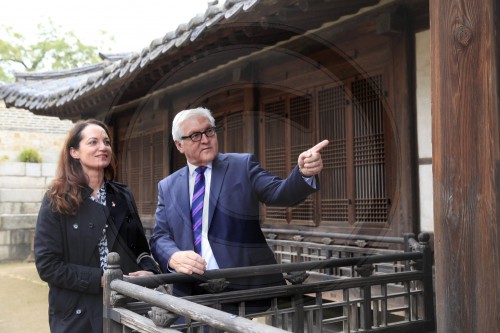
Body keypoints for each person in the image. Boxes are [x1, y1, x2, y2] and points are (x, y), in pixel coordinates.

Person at [149, 107, 328, 312]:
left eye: (209, 131)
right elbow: (160, 236)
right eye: (195, 135)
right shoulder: (168, 186)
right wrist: (173, 257)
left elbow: (280, 193)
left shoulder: (241, 166)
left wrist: (303, 173)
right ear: (179, 145)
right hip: (192, 293)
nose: (206, 139)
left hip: (244, 290)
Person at [34, 119, 160, 333]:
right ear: (74, 152)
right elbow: (48, 265)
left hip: (125, 305)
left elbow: (140, 248)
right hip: (76, 310)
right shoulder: (57, 198)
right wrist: (101, 279)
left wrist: (149, 271)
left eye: (107, 142)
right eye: (93, 142)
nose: (103, 147)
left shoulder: (122, 195)